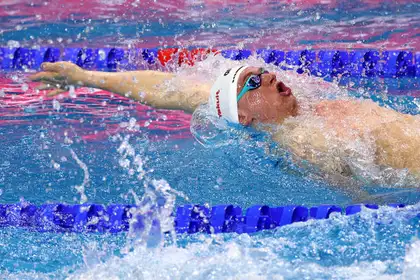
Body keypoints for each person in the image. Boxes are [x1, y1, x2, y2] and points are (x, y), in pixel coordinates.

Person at [29, 61, 420, 192]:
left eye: (262, 71)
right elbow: (354, 192)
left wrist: (88, 76)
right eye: (253, 83)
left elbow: (175, 90)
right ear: (244, 117)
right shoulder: (303, 140)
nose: (267, 76)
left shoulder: (306, 107)